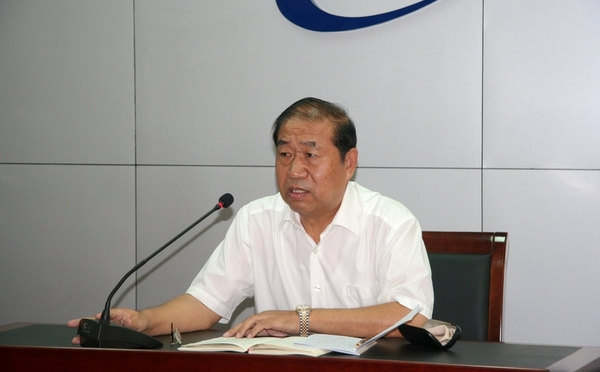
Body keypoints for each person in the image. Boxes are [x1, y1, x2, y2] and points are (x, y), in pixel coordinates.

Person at [69, 97, 433, 342]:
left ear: (349, 162)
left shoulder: (391, 223)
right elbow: (206, 304)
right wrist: (145, 321)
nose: (294, 170)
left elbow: (411, 318)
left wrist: (300, 320)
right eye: (285, 154)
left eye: (310, 155)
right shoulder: (256, 220)